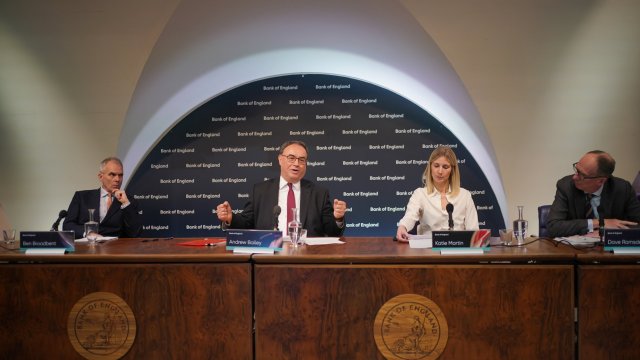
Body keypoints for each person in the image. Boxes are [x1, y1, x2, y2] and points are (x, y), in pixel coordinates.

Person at [216, 140, 347, 237]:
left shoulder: (319, 193)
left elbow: (332, 232)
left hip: (307, 256)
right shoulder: (261, 191)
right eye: (291, 158)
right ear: (280, 159)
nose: (297, 164)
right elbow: (246, 224)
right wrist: (230, 218)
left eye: (302, 160)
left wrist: (337, 218)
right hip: (269, 255)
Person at [546, 150, 640, 238]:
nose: (574, 177)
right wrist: (599, 223)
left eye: (581, 175)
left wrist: (607, 234)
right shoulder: (566, 186)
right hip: (574, 251)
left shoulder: (623, 189)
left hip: (611, 252)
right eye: (576, 169)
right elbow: (553, 227)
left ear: (600, 181)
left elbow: (637, 224)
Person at [395, 146, 479, 242]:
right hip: (427, 252)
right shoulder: (420, 194)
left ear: (452, 170)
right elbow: (410, 216)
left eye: (445, 167)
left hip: (458, 252)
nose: (440, 171)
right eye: (436, 166)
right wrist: (402, 227)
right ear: (430, 167)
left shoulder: (465, 195)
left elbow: (474, 231)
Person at [63, 157, 142, 238]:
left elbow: (135, 233)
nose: (117, 179)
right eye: (112, 174)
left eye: (120, 175)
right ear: (101, 177)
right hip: (85, 247)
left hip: (116, 248)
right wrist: (88, 233)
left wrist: (125, 203)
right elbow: (68, 225)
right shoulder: (82, 197)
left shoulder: (129, 201)